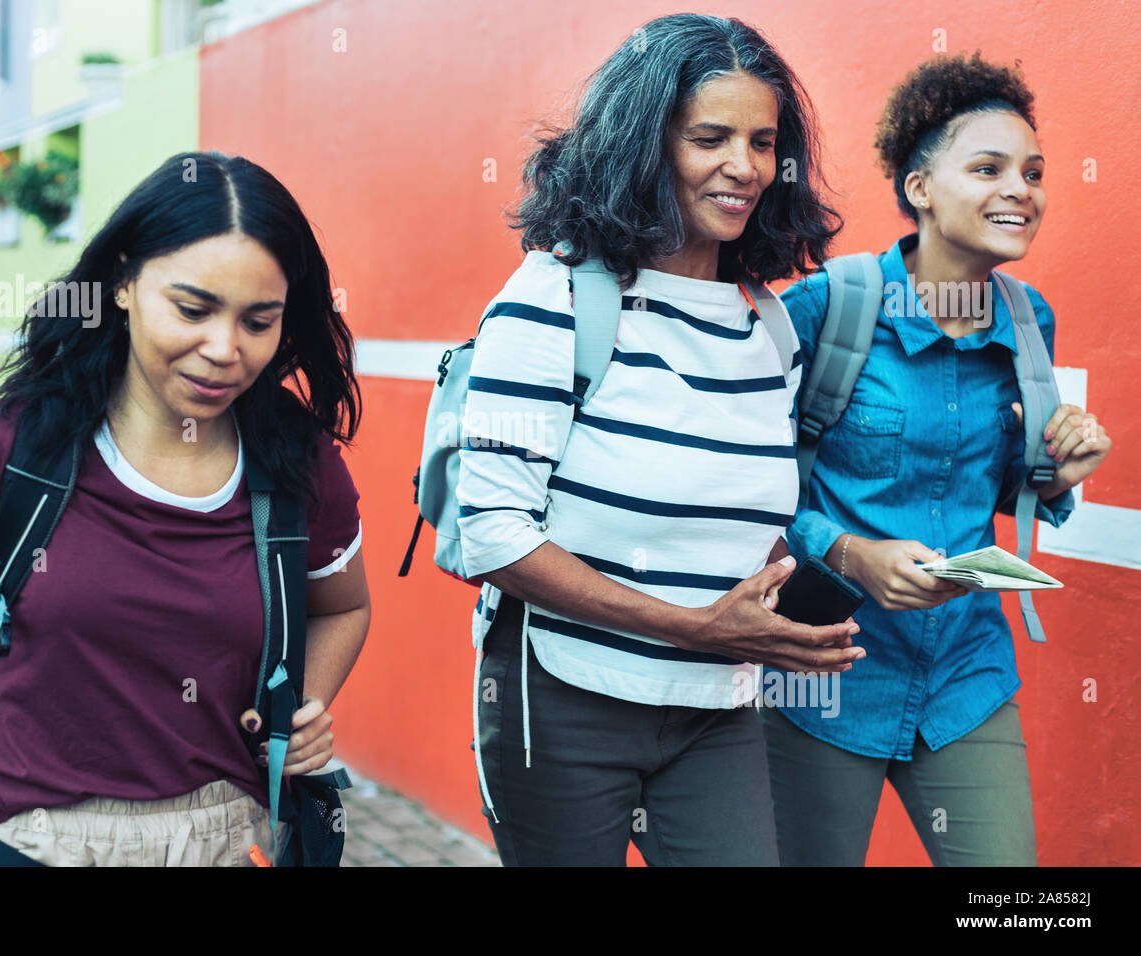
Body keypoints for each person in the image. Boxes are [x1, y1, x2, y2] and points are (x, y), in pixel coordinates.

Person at [0, 151, 370, 867]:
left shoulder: (298, 466)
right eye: (193, 308)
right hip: (23, 841)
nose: (224, 349)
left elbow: (342, 606)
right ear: (122, 281)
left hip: (228, 841)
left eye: (258, 321)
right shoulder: (11, 449)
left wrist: (294, 707)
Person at [458, 14, 862, 867]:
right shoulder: (556, 296)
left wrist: (836, 590)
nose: (744, 167)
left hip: (717, 707)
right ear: (646, 143)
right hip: (562, 695)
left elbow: (736, 508)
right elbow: (492, 535)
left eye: (762, 141)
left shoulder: (771, 325)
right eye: (709, 137)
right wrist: (694, 626)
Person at [763, 54, 1113, 866]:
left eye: (1033, 172)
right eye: (987, 168)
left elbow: (986, 482)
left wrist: (1054, 476)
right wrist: (848, 550)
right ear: (920, 188)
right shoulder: (828, 306)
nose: (1021, 189)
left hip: (965, 669)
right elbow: (749, 480)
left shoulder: (1031, 322)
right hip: (823, 666)